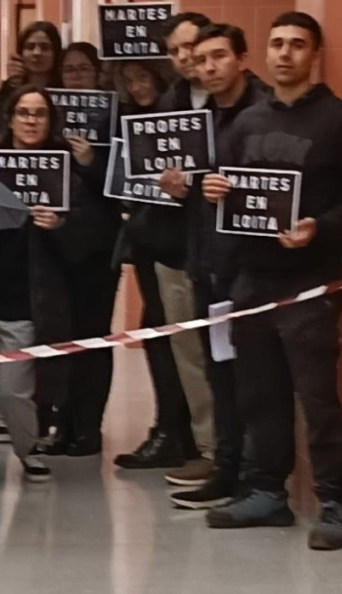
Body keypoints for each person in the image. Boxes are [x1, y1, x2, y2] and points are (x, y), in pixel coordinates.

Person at [201, 12, 342, 549]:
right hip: (251, 283)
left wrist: (319, 229)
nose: (284, 53)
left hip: (310, 284)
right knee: (259, 394)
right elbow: (225, 188)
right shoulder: (246, 123)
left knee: (317, 396)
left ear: (314, 55)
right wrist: (212, 189)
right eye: (276, 44)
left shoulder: (340, 120)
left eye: (297, 45)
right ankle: (267, 493)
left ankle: (332, 501)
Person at [0, 85, 110, 481]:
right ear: (9, 119)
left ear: (51, 121)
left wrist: (60, 226)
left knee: (15, 389)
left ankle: (28, 448)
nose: (31, 121)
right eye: (24, 113)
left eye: (40, 114)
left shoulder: (67, 172)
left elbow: (90, 240)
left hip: (33, 300)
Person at [160, 24, 269, 510]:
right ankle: (227, 470)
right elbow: (198, 196)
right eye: (201, 60)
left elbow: (274, 190)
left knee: (256, 378)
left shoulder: (263, 113)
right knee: (219, 373)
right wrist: (180, 189)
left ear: (241, 59)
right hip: (207, 266)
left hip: (256, 272)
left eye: (218, 57)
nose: (208, 67)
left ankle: (256, 477)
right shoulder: (198, 115)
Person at [109, 58, 199, 473]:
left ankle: (182, 433)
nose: (137, 86)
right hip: (148, 244)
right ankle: (170, 426)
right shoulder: (127, 120)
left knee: (178, 340)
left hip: (180, 247)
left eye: (142, 77)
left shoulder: (179, 118)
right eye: (129, 80)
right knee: (157, 334)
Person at [141, 11, 217, 488]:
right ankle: (208, 447)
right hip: (175, 249)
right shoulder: (167, 104)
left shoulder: (244, 101)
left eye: (192, 46)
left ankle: (246, 452)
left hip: (229, 252)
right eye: (175, 51)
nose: (186, 58)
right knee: (188, 352)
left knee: (233, 353)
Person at [43, 46, 124, 457]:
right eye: (69, 70)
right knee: (62, 338)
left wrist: (92, 160)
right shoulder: (48, 120)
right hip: (56, 245)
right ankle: (64, 424)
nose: (76, 77)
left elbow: (123, 184)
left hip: (97, 248)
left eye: (83, 70)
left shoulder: (116, 121)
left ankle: (89, 427)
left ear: (98, 74)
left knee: (94, 339)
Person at [0, 21, 63, 102]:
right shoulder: (9, 89)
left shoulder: (65, 89)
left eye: (45, 47)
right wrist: (13, 83)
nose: (37, 53)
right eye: (30, 47)